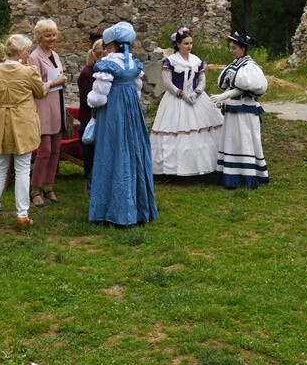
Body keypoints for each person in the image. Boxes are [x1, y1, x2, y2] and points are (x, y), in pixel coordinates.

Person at [86, 21, 158, 226]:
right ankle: (138, 209)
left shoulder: (107, 64)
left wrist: (90, 100)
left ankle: (112, 210)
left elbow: (98, 98)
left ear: (111, 45)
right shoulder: (133, 64)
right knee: (133, 152)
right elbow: (136, 90)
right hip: (132, 114)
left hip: (113, 114)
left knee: (112, 153)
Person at [0, 34, 48, 229]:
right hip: (23, 121)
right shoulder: (29, 72)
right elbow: (41, 92)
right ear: (20, 52)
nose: (28, 53)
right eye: (27, 50)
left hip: (0, 121)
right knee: (22, 168)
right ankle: (22, 214)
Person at [151, 26, 224, 178]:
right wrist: (181, 94)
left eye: (190, 43)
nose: (189, 46)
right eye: (186, 43)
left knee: (203, 129)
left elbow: (202, 79)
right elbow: (167, 83)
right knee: (175, 130)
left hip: (197, 98)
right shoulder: (170, 61)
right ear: (178, 44)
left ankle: (204, 167)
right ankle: (171, 171)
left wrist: (197, 92)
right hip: (175, 99)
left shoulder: (196, 60)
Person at [210, 32, 269, 188]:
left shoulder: (250, 67)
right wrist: (223, 100)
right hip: (233, 109)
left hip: (245, 110)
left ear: (243, 49)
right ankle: (232, 175)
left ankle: (247, 176)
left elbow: (244, 87)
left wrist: (223, 96)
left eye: (234, 48)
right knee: (232, 139)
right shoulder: (236, 64)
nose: (231, 50)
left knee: (244, 139)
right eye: (230, 47)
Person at [27, 18, 69, 207]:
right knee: (44, 151)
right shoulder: (34, 57)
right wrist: (54, 82)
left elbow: (57, 77)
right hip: (43, 106)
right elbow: (33, 85)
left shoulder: (56, 55)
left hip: (57, 105)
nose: (52, 38)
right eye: (47, 35)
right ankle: (34, 189)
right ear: (39, 37)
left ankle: (49, 186)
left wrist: (63, 80)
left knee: (56, 151)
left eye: (54, 34)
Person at [78, 38, 106, 194]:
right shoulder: (87, 74)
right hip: (90, 120)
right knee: (90, 154)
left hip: (100, 118)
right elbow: (86, 100)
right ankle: (89, 184)